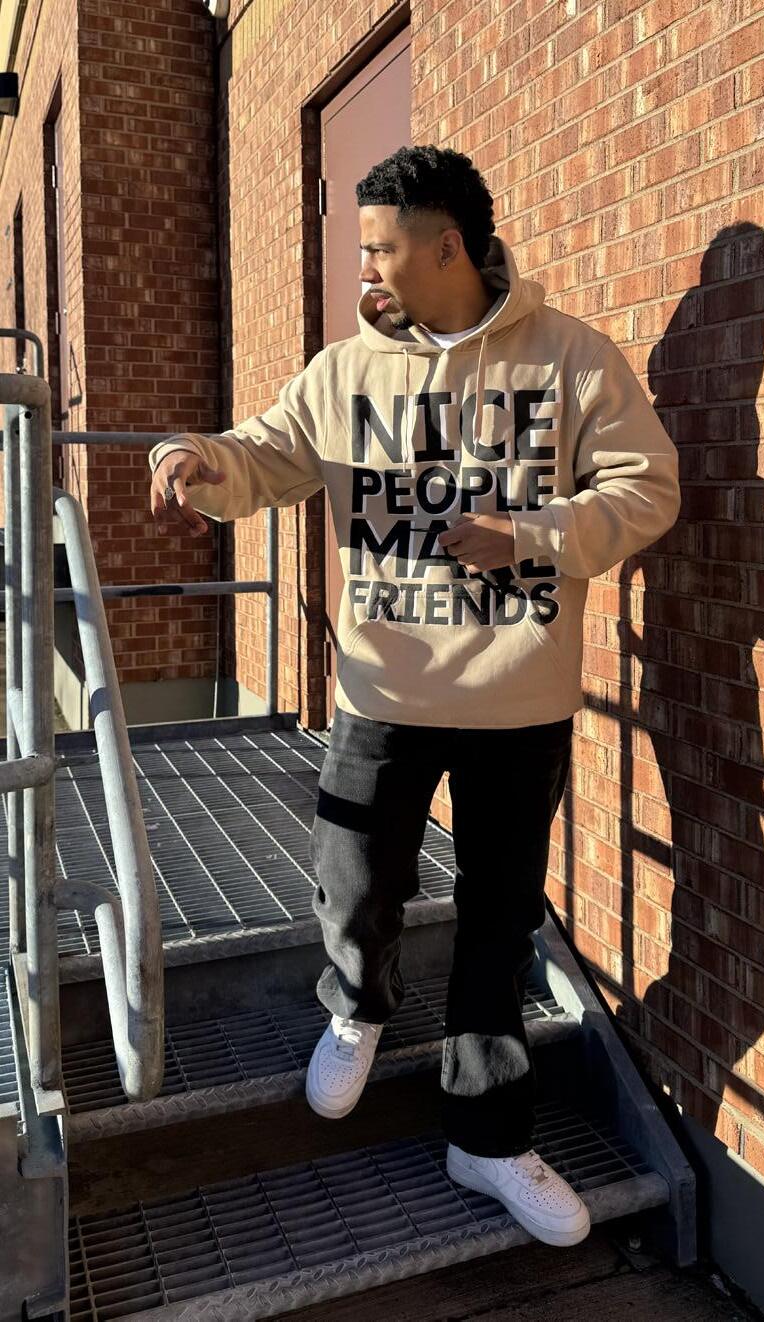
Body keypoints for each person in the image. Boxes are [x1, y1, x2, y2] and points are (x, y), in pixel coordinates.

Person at [148, 145, 681, 1248]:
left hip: (518, 694)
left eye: (382, 247)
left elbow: (648, 487)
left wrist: (530, 533)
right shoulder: (346, 371)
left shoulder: (571, 358)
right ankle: (356, 1007)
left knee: (499, 919)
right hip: (383, 683)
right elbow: (267, 452)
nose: (367, 266)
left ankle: (486, 1138)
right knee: (355, 876)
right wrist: (195, 454)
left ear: (448, 247)